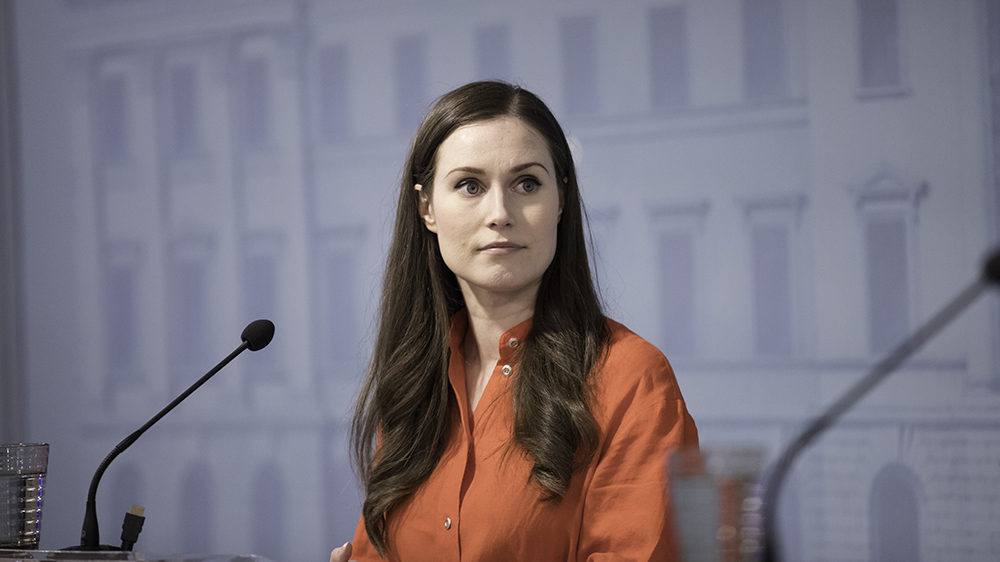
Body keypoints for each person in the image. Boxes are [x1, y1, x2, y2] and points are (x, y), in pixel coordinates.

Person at [330, 80, 698, 562]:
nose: (500, 214)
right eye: (470, 185)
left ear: (561, 200)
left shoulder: (632, 379)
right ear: (427, 208)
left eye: (527, 184)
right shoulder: (415, 381)